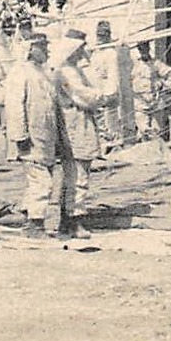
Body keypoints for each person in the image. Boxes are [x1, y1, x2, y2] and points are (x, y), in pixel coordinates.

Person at [3, 32, 74, 239]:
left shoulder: (44, 74)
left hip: (46, 137)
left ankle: (28, 215)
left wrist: (60, 138)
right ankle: (35, 224)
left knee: (42, 179)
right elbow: (15, 106)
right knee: (42, 182)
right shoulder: (20, 72)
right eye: (42, 47)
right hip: (30, 138)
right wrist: (20, 135)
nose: (47, 50)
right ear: (31, 49)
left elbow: (54, 109)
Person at [53, 28, 111, 238]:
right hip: (74, 126)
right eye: (80, 48)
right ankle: (74, 220)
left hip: (80, 124)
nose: (82, 52)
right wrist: (103, 97)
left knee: (73, 175)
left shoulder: (74, 70)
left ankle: (66, 218)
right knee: (78, 176)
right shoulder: (67, 72)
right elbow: (83, 96)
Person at [87, 21, 134, 150]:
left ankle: (114, 147)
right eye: (99, 35)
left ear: (108, 35)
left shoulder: (111, 53)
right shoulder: (96, 52)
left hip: (107, 93)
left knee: (111, 122)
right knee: (100, 123)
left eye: (103, 35)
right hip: (96, 92)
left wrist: (109, 94)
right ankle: (102, 146)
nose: (100, 38)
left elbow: (113, 75)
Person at [130, 43, 171, 142]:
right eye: (140, 48)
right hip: (140, 103)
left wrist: (164, 85)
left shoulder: (156, 64)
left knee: (158, 132)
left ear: (148, 48)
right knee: (144, 130)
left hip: (155, 102)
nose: (143, 50)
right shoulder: (133, 65)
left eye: (145, 47)